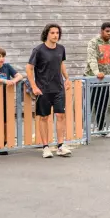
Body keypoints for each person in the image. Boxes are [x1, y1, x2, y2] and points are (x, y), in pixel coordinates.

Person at [26, 24, 72, 158]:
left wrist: (67, 78)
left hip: (58, 88)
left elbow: (61, 64)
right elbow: (29, 68)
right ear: (47, 34)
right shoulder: (38, 50)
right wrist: (34, 86)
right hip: (43, 90)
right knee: (44, 118)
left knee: (60, 116)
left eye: (57, 33)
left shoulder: (61, 49)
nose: (55, 35)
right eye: (52, 33)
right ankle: (45, 147)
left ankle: (60, 146)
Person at [0, 47, 23, 155]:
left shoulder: (7, 67)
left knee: (6, 122)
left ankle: (5, 141)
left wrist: (13, 81)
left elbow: (19, 75)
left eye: (3, 56)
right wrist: (4, 80)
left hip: (7, 98)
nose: (1, 58)